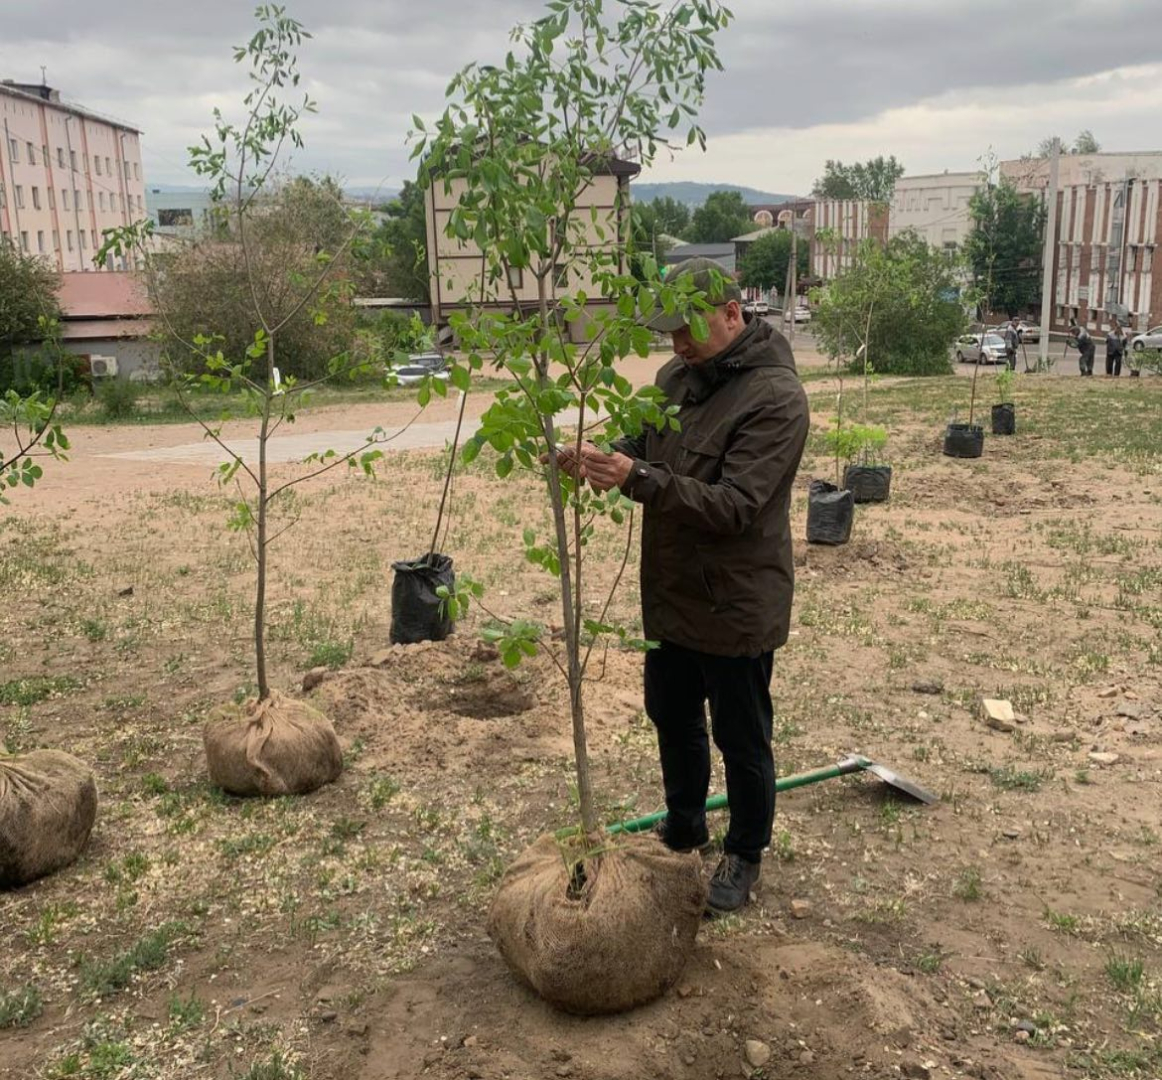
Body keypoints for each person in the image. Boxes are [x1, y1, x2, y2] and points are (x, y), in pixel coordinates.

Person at [557, 258, 810, 915]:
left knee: (741, 735)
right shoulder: (678, 378)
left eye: (689, 329)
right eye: (669, 331)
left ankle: (746, 851)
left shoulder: (776, 398)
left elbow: (735, 507)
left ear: (734, 313)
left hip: (734, 602)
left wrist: (635, 477)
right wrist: (600, 453)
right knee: (671, 714)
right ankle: (686, 824)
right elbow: (643, 438)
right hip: (672, 594)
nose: (677, 345)